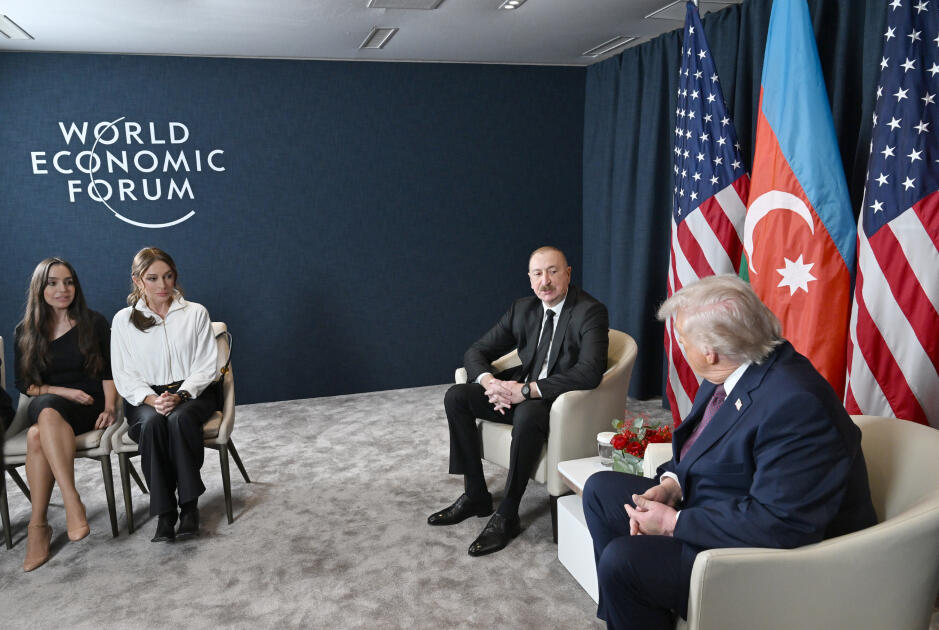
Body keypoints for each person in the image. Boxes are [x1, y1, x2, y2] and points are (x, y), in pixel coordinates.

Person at [583, 274, 877, 630]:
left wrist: (672, 523)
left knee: (623, 561)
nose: (679, 345)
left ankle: (633, 594)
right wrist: (672, 485)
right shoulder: (733, 368)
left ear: (711, 351)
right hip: (721, 506)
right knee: (599, 491)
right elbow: (702, 447)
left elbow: (780, 524)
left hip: (771, 560)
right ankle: (630, 613)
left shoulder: (797, 405)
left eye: (682, 339)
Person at [428, 246, 609, 556]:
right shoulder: (522, 309)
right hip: (517, 391)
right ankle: (475, 495)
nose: (545, 281)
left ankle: (508, 513)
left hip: (557, 401)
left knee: (527, 414)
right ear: (530, 279)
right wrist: (492, 384)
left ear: (568, 273)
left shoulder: (590, 311)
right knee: (456, 397)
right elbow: (476, 352)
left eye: (553, 271)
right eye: (537, 274)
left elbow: (589, 372)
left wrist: (526, 391)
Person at [14, 257, 118, 571]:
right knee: (46, 413)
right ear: (40, 288)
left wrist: (110, 407)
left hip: (88, 405)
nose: (63, 289)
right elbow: (25, 385)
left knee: (36, 435)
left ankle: (38, 526)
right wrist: (61, 391)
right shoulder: (25, 331)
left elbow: (109, 372)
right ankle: (72, 499)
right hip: (49, 402)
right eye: (53, 283)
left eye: (69, 282)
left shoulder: (94, 322)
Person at [111, 247, 219, 543]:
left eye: (168, 276)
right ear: (137, 280)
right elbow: (124, 374)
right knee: (151, 423)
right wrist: (152, 400)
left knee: (178, 420)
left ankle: (189, 507)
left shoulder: (196, 313)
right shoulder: (123, 320)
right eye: (153, 278)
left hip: (193, 392)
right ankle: (165, 512)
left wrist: (181, 395)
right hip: (145, 397)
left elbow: (206, 366)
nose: (163, 285)